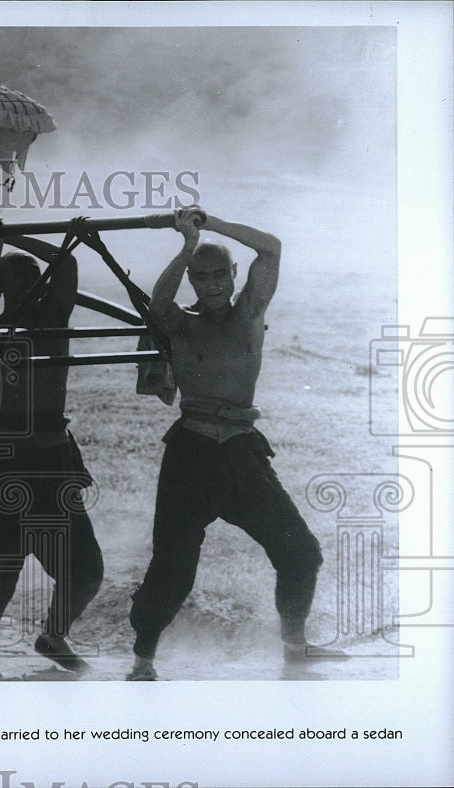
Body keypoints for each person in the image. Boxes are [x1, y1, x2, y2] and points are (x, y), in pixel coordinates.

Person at [126, 205, 344, 681]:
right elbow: (157, 308)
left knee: (301, 553)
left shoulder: (251, 312)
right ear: (192, 281)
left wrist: (212, 225)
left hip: (243, 452)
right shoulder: (182, 324)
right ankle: (143, 660)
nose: (212, 284)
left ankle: (294, 647)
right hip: (192, 453)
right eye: (201, 277)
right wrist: (186, 245)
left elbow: (272, 247)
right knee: (174, 568)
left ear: (233, 273)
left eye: (219, 275)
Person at [0, 216, 104, 679]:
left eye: (31, 288)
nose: (26, 297)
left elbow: (66, 268)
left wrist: (12, 238)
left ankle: (53, 636)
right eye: (14, 289)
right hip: (5, 458)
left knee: (85, 570)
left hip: (53, 455)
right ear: (5, 295)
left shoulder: (55, 321)